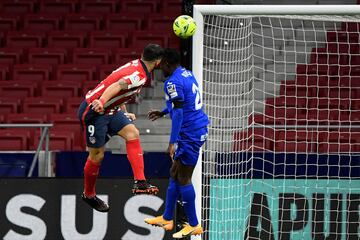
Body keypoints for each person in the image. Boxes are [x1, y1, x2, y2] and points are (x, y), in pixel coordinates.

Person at [77, 44, 163, 212]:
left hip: (111, 109)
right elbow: (117, 86)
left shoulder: (138, 65)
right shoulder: (139, 74)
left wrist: (124, 112)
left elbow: (122, 93)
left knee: (133, 133)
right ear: (158, 62)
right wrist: (101, 102)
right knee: (97, 156)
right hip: (94, 110)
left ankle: (140, 182)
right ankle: (88, 195)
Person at [144, 48, 209, 238]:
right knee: (174, 173)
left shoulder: (172, 81)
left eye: (161, 63)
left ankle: (193, 224)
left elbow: (179, 112)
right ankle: (167, 217)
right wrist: (164, 112)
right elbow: (184, 102)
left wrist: (172, 142)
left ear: (167, 64)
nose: (159, 67)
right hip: (196, 128)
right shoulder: (186, 74)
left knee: (184, 178)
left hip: (190, 133)